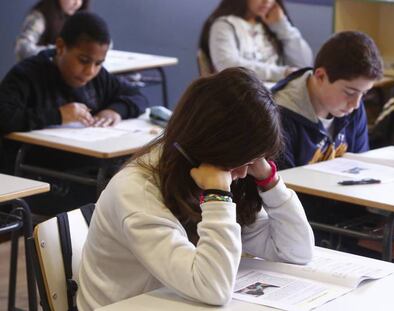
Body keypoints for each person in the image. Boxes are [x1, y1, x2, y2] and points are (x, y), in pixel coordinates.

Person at [77, 67, 314, 310]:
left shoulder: (210, 173)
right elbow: (212, 288)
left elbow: (296, 252)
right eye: (241, 162)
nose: (244, 173)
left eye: (251, 163)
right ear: (212, 145)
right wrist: (218, 198)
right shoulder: (138, 192)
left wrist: (268, 180)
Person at [272, 31, 394, 259]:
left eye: (364, 94)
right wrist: (356, 237)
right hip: (306, 229)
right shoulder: (279, 117)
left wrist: (377, 227)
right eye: (350, 92)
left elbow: (361, 180)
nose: (356, 104)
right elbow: (281, 199)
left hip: (346, 220)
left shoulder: (351, 109)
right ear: (320, 76)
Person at [0, 11, 147, 135]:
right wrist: (58, 116)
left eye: (98, 63)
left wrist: (115, 111)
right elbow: (4, 117)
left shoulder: (100, 78)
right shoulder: (27, 75)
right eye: (83, 60)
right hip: (34, 164)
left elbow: (137, 96)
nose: (90, 71)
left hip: (88, 161)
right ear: (60, 47)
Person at [199, 0, 313, 81]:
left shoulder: (271, 26)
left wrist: (282, 26)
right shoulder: (224, 25)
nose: (267, 1)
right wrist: (282, 73)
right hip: (241, 99)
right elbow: (228, 66)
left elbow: (304, 65)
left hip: (278, 99)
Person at [15, 0, 90, 61]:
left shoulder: (75, 18)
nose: (77, 3)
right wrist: (57, 52)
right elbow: (22, 49)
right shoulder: (40, 17)